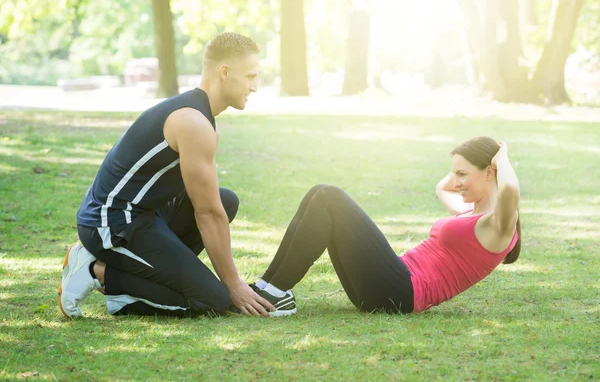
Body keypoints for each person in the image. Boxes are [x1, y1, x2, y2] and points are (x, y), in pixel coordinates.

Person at [58, 32, 275, 318]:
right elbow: (207, 213)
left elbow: (206, 203)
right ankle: (96, 270)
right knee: (211, 300)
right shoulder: (192, 122)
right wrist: (232, 283)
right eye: (250, 76)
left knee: (227, 200)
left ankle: (133, 271)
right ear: (224, 72)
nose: (254, 86)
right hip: (110, 224)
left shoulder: (203, 119)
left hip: (145, 214)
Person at [252, 137, 521, 316]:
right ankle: (267, 288)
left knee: (329, 197)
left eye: (464, 174)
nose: (457, 181)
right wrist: (466, 166)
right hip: (387, 286)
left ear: (490, 172)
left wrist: (501, 158)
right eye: (456, 173)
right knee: (319, 192)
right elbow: (443, 187)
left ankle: (277, 294)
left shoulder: (497, 227)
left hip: (401, 291)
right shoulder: (469, 213)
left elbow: (508, 189)